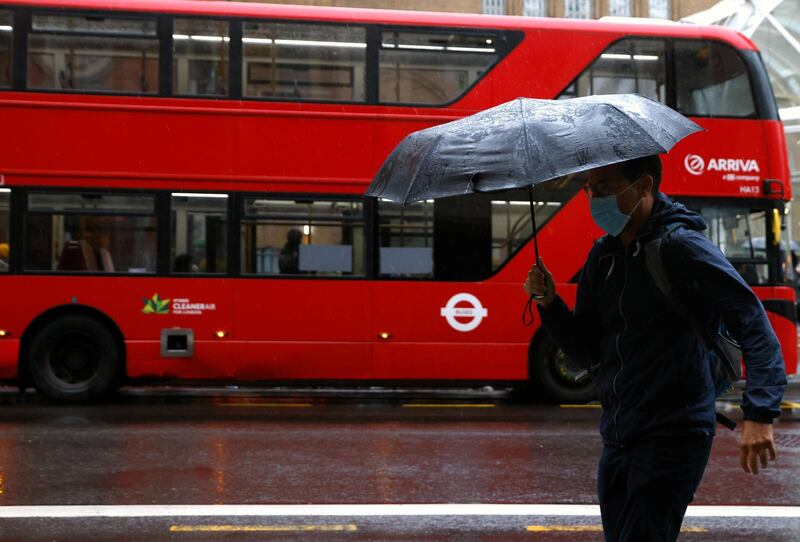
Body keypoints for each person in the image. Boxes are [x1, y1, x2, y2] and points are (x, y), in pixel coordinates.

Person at [523, 155, 786, 542]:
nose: (595, 198)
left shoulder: (682, 248)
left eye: (606, 188)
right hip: (618, 433)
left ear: (644, 186)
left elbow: (752, 321)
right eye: (590, 189)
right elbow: (585, 351)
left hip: (674, 432)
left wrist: (760, 411)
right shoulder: (603, 256)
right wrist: (549, 303)